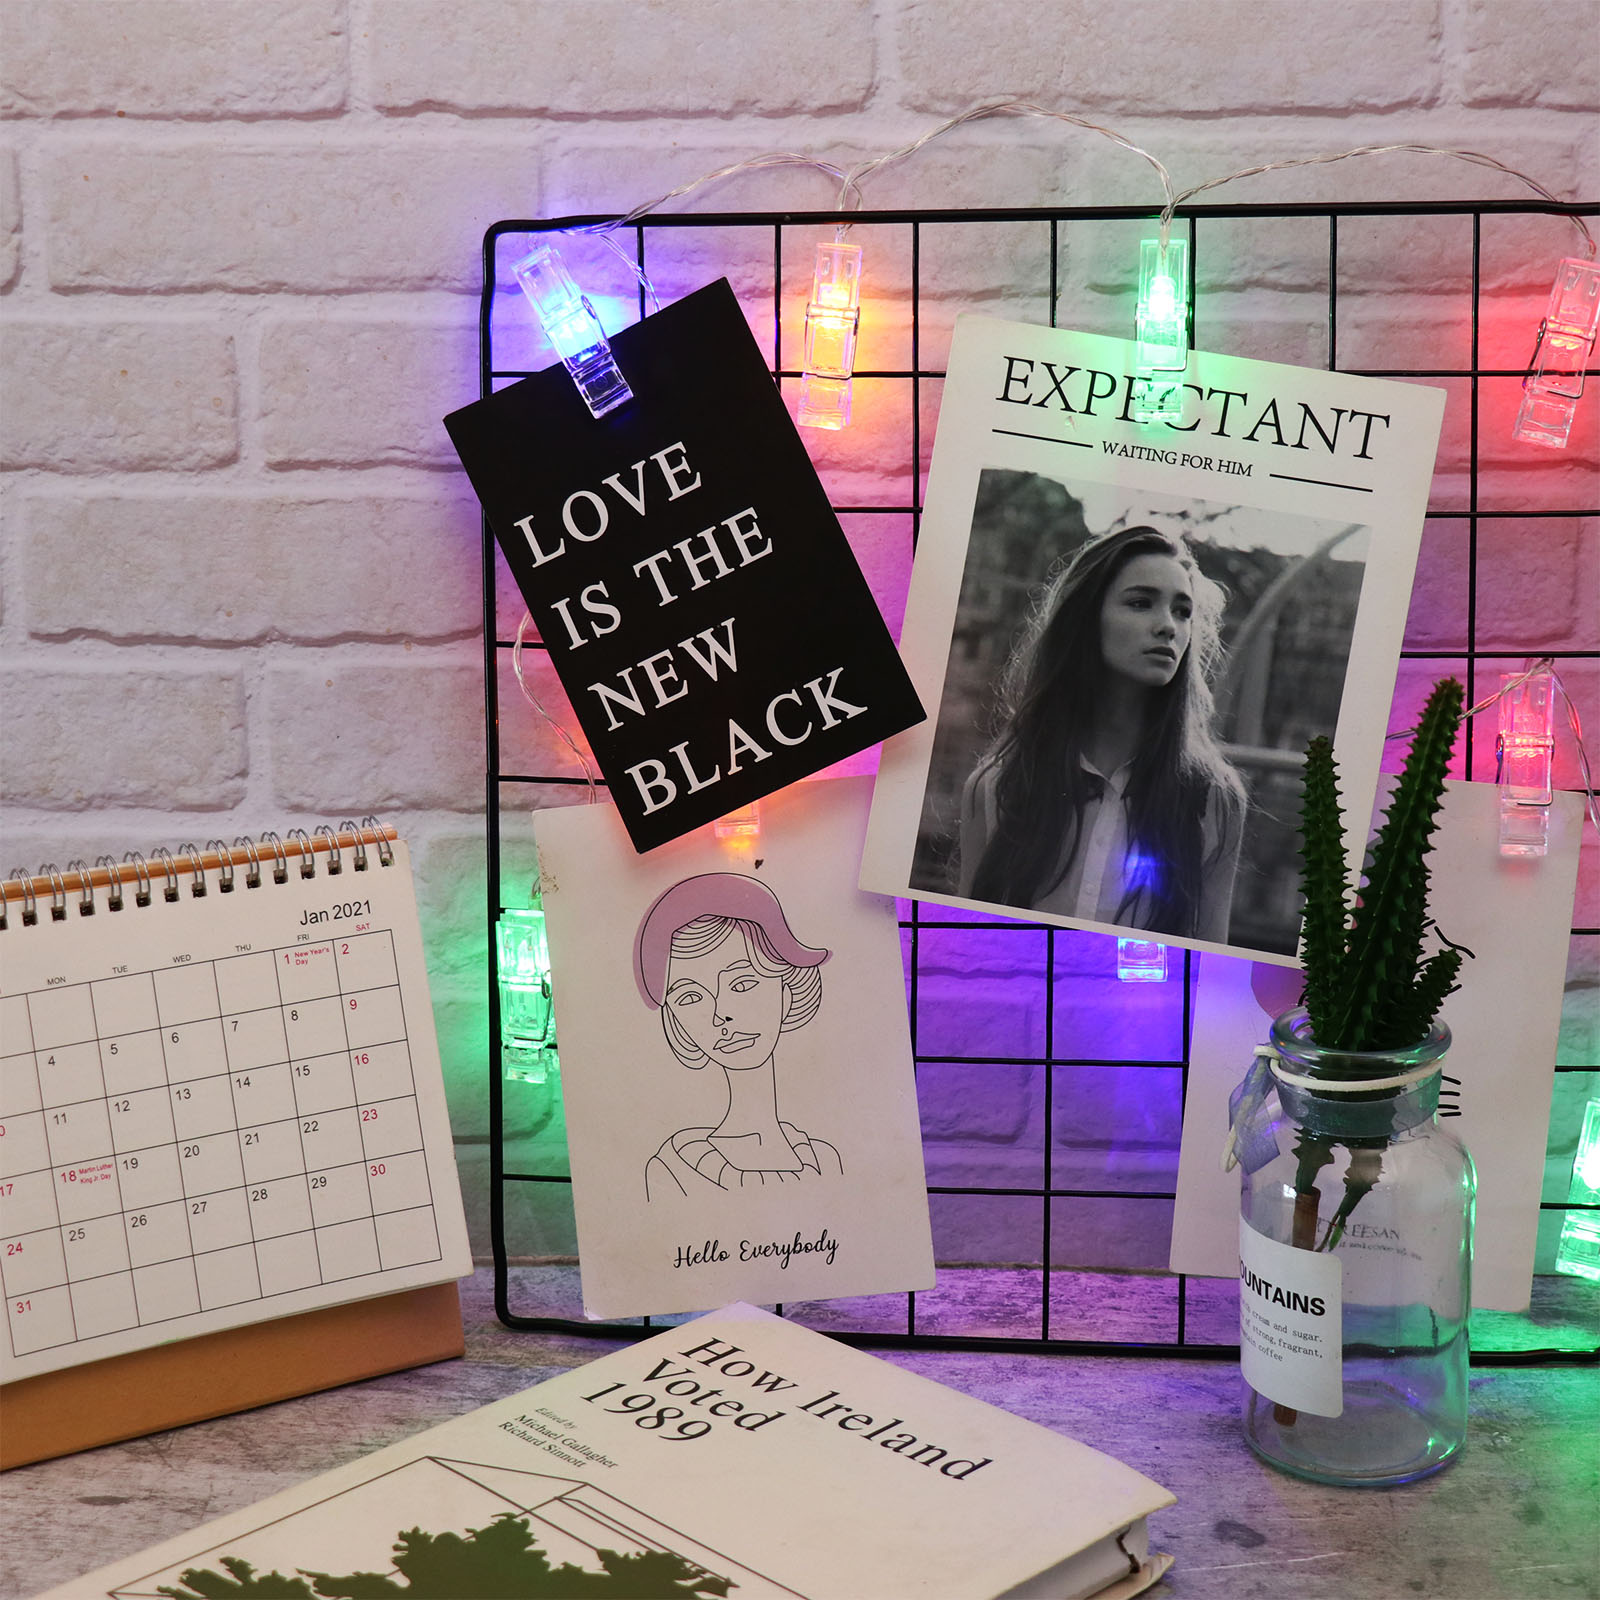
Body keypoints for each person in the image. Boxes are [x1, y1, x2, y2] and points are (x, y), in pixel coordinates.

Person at [957, 524, 1247, 942]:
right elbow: (963, 948)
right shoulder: (997, 786)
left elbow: (1207, 967)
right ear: (1086, 618)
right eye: (1141, 603)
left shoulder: (1214, 799)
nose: (1168, 626)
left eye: (1183, 611)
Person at [634, 872, 843, 1200]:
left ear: (786, 993)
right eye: (691, 997)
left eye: (742, 984)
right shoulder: (674, 1170)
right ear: (677, 1022)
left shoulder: (824, 1161)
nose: (720, 1014)